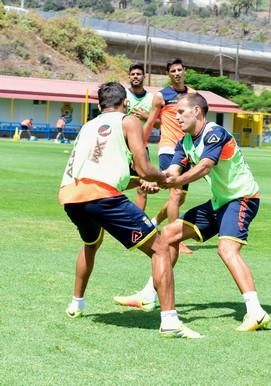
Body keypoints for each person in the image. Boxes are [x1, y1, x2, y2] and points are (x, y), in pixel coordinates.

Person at [114, 93, 271, 332]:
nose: (175, 117)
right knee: (167, 235)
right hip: (220, 202)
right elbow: (173, 171)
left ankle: (256, 312)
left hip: (243, 199)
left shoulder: (215, 133)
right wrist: (154, 181)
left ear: (196, 111)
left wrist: (171, 182)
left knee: (227, 249)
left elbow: (205, 166)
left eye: (180, 112)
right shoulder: (185, 142)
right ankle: (148, 295)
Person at [59, 82, 202, 339]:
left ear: (98, 105)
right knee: (161, 248)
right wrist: (164, 178)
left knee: (91, 243)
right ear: (125, 103)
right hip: (101, 197)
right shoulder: (129, 121)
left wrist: (139, 182)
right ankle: (170, 322)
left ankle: (76, 303)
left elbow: (101, 173)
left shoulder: (87, 126)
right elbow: (145, 167)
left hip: (71, 196)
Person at [142, 58, 194, 254]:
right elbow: (150, 122)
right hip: (169, 148)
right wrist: (140, 144)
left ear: (185, 71)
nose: (177, 73)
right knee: (176, 193)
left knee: (179, 199)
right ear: (169, 74)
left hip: (187, 151)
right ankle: (175, 240)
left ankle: (153, 222)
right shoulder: (161, 96)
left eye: (180, 69)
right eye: (173, 71)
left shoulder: (193, 95)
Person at [126, 63, 156, 210]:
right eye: (133, 74)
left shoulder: (152, 98)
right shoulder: (123, 95)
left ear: (144, 77)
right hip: (122, 145)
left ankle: (139, 224)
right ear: (129, 77)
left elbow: (160, 122)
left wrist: (147, 116)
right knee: (114, 182)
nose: (135, 76)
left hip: (142, 146)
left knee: (143, 186)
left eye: (138, 74)